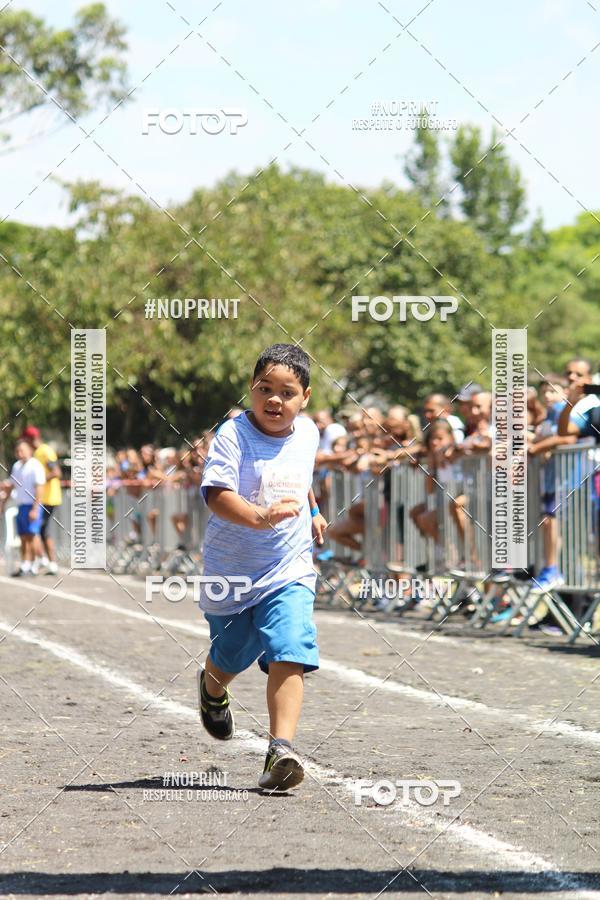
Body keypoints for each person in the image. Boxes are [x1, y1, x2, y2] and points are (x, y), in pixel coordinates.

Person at [198, 343, 327, 792]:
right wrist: (259, 517)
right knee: (232, 653)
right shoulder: (233, 434)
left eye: (287, 392)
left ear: (305, 396)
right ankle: (212, 689)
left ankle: (281, 749)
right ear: (251, 390)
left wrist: (312, 513)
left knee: (290, 644)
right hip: (231, 572)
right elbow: (216, 494)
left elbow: (301, 477)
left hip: (288, 568)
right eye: (265, 389)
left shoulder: (309, 433)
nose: (275, 399)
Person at [0, 439, 46, 576]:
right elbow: (12, 485)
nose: (20, 453)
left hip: (32, 505)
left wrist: (35, 508)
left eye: (23, 450)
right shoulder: (17, 466)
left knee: (32, 535)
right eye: (18, 451)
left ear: (29, 451)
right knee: (23, 536)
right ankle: (25, 564)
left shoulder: (35, 466)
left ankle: (37, 561)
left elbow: (40, 488)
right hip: (21, 505)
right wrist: (3, 502)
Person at [21, 425, 62, 575]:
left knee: (40, 530)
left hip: (49, 498)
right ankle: (47, 562)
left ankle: (46, 561)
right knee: (42, 531)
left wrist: (39, 480)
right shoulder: (38, 453)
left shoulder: (44, 451)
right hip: (43, 498)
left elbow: (56, 472)